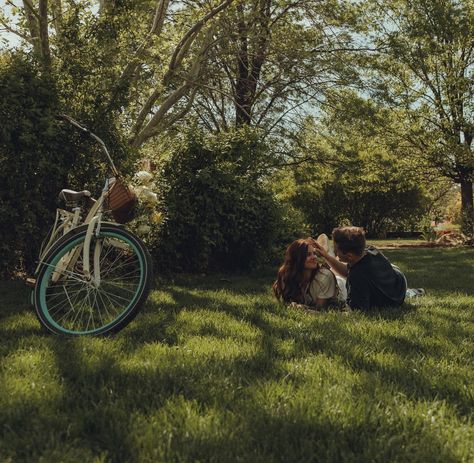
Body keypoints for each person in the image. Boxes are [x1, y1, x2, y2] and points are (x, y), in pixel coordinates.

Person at [313, 226, 407, 311]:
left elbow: (357, 310)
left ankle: (328, 255)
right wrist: (327, 257)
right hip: (398, 281)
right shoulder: (370, 250)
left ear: (349, 256)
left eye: (336, 251)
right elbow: (348, 271)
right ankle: (328, 254)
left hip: (396, 295)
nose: (336, 254)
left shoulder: (357, 276)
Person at [273, 236, 345, 310]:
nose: (314, 257)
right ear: (297, 258)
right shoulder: (285, 275)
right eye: (308, 255)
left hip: (341, 286)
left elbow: (320, 309)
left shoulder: (325, 276)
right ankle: (328, 253)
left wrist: (302, 308)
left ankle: (328, 253)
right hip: (324, 279)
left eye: (314, 253)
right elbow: (285, 302)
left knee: (336, 274)